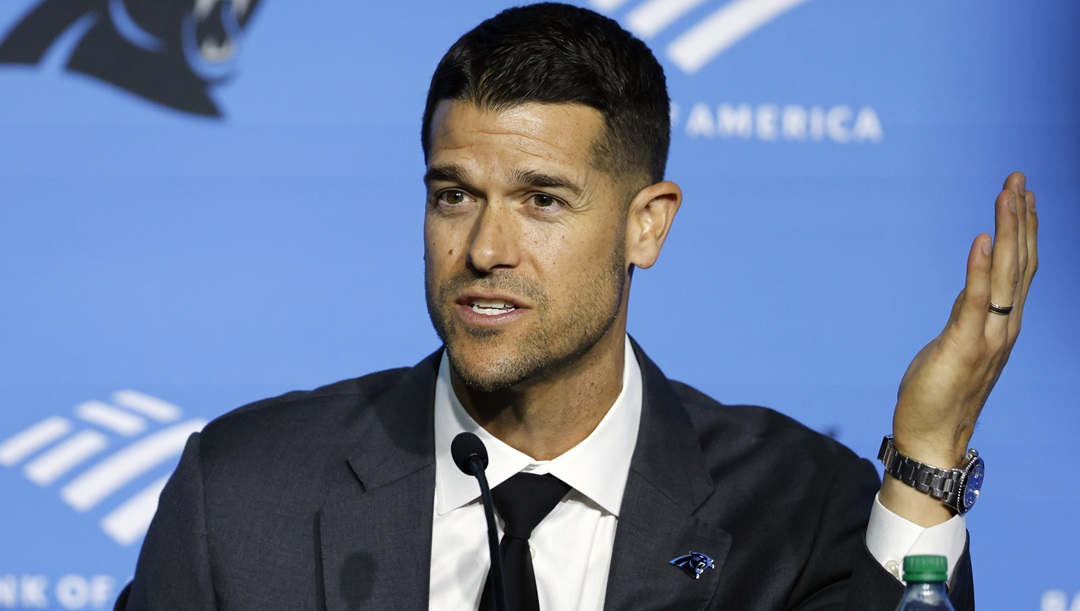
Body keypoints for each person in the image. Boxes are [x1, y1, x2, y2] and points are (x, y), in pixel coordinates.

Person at [116, 3, 1037, 610]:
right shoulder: (241, 496)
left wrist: (928, 456)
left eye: (542, 201)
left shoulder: (796, 508)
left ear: (648, 225)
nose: (483, 249)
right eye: (454, 194)